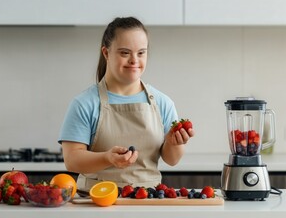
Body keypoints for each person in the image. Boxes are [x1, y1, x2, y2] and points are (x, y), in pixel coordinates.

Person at [58, 17, 195, 192]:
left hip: (147, 200)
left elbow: (172, 160)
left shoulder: (163, 103)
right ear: (106, 53)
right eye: (125, 53)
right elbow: (72, 160)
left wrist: (173, 143)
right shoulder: (84, 103)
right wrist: (107, 158)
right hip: (96, 202)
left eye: (141, 52)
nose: (134, 60)